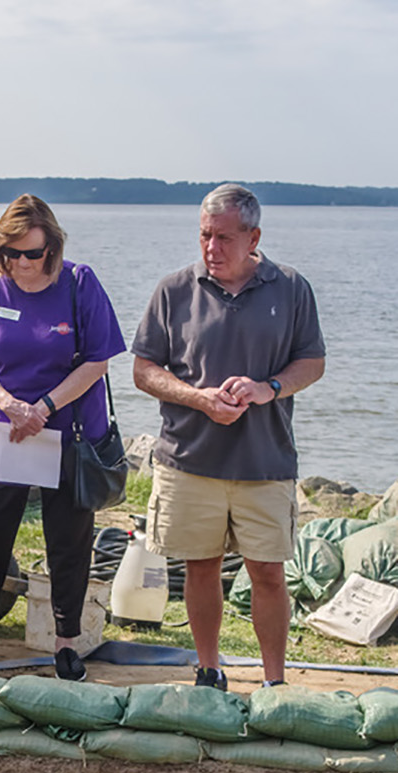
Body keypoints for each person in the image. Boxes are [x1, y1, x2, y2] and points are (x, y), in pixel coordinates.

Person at [132, 184, 325, 689]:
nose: (210, 248)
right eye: (204, 236)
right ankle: (208, 669)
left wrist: (269, 388)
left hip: (265, 462)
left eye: (222, 238)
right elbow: (144, 369)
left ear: (253, 236)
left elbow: (313, 362)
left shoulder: (291, 287)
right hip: (189, 460)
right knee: (201, 569)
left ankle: (274, 682)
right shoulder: (174, 290)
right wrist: (200, 398)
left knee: (267, 574)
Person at [0, 195, 126, 681]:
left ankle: (65, 642)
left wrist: (44, 408)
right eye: (11, 254)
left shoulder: (80, 284)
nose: (21, 264)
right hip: (8, 430)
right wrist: (11, 404)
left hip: (70, 432)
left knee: (69, 538)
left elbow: (97, 362)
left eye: (32, 254)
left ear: (52, 248)